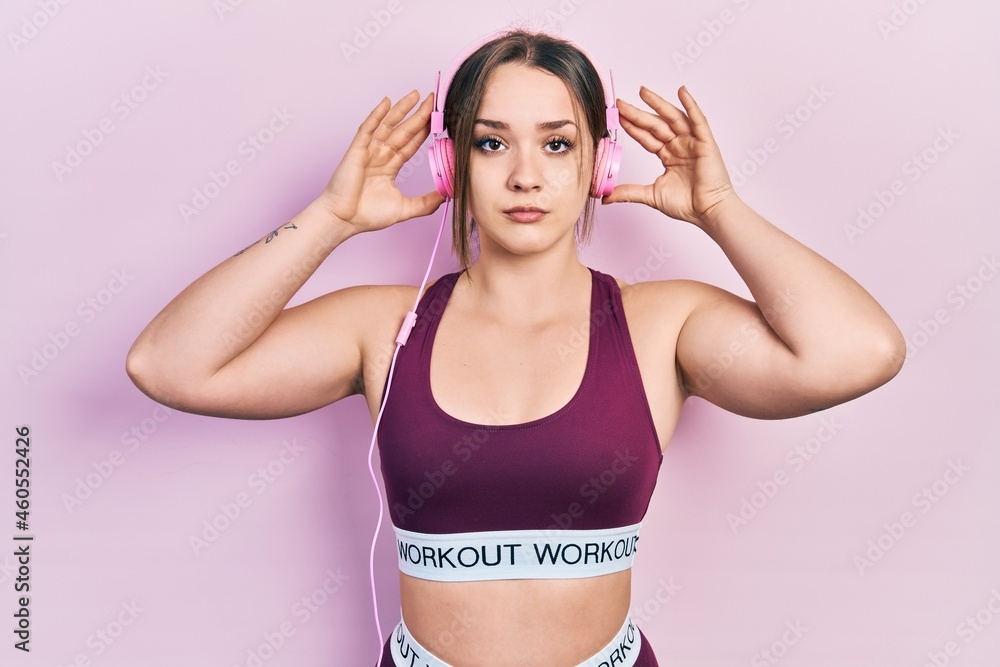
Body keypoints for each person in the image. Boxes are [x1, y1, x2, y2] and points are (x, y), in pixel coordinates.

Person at [126, 29, 905, 667]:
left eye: (558, 145)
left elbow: (859, 350)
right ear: (449, 161)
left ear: (600, 163)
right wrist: (331, 217)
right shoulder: (383, 326)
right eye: (491, 143)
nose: (525, 175)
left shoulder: (658, 324)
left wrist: (719, 207)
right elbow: (168, 363)